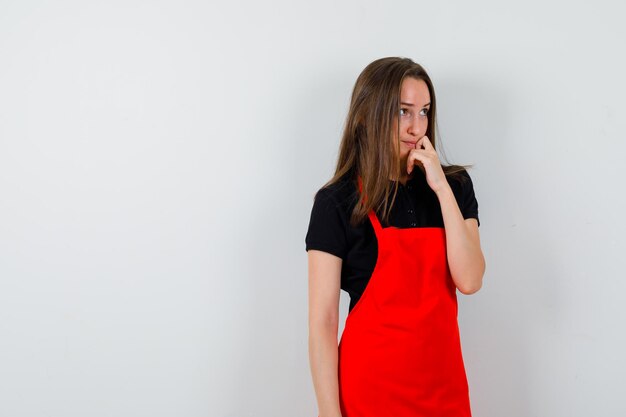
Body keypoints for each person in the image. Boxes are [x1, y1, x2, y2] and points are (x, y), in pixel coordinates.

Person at [305, 57, 486, 417]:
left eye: (424, 112)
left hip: (444, 392)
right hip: (369, 395)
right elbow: (323, 322)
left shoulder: (454, 188)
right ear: (367, 114)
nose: (416, 127)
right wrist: (329, 413)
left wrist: (440, 187)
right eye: (403, 112)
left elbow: (470, 279)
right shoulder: (337, 202)